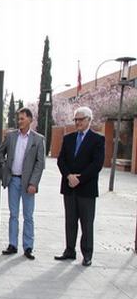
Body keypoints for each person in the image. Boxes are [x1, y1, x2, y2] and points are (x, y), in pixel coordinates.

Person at [54, 106, 104, 267]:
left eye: (80, 119)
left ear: (89, 120)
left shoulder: (97, 139)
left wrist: (79, 179)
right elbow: (61, 160)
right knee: (70, 221)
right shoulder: (68, 138)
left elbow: (97, 164)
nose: (77, 122)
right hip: (69, 186)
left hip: (86, 189)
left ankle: (87, 254)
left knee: (87, 223)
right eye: (75, 119)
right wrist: (69, 176)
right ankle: (69, 250)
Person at [0, 108, 45, 260]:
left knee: (28, 215)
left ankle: (28, 246)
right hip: (13, 180)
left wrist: (34, 183)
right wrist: (5, 165)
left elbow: (40, 164)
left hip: (28, 183)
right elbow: (0, 152)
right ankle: (12, 244)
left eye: (22, 119)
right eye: (18, 119)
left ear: (30, 120)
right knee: (13, 214)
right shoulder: (11, 136)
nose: (19, 121)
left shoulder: (38, 139)